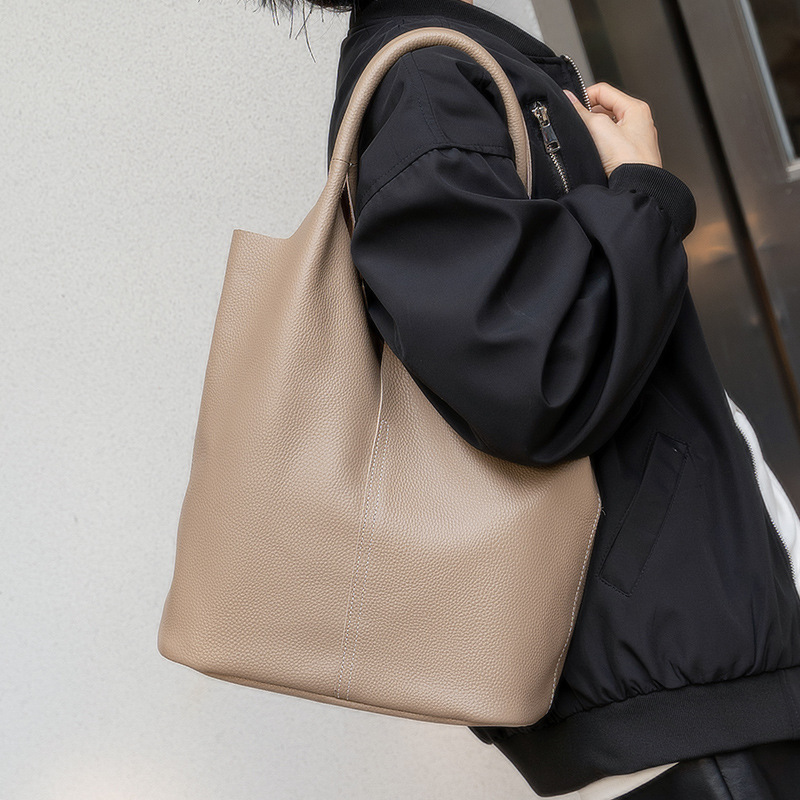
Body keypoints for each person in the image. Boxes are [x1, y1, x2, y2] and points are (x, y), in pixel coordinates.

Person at [263, 0, 800, 796]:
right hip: (676, 714)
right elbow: (536, 381)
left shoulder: (455, 71)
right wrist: (645, 196)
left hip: (686, 687)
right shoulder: (426, 86)